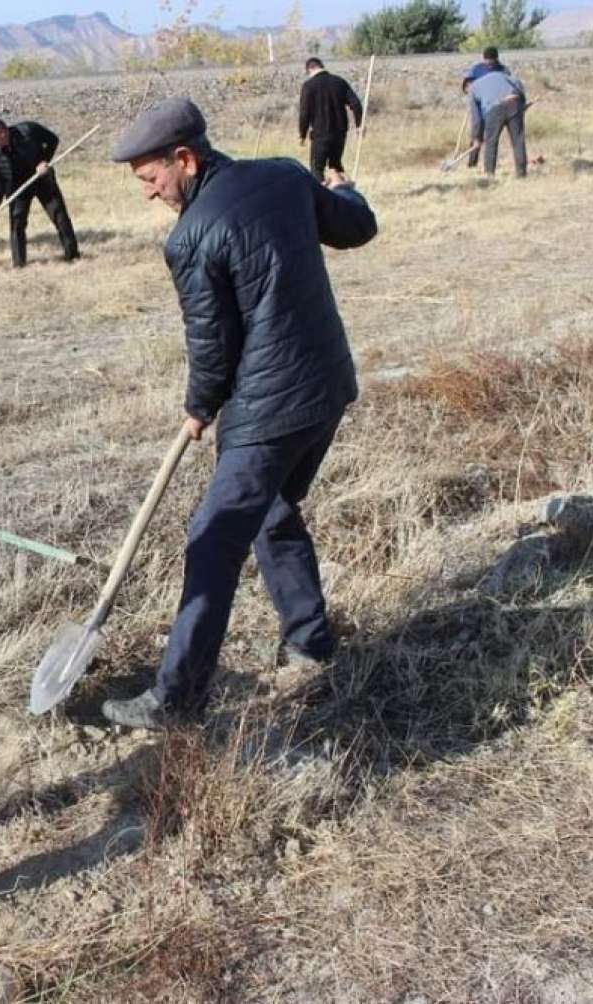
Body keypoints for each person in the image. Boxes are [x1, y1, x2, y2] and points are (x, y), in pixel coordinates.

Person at [101, 99, 377, 730]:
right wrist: (349, 191)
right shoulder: (285, 175)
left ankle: (176, 699)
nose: (148, 194)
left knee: (212, 543)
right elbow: (357, 228)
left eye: (150, 179)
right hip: (328, 388)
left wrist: (199, 406)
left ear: (185, 158)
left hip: (271, 408)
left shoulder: (191, 238)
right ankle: (310, 642)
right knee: (274, 511)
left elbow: (212, 344)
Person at [0, 116, 80, 267]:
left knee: (60, 216)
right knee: (17, 225)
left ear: (1, 132)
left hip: (42, 180)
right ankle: (19, 264)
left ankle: (72, 256)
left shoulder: (28, 130)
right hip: (17, 189)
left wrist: (43, 161)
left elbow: (53, 139)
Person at [297, 57, 364, 181]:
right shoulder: (339, 82)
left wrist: (302, 134)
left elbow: (304, 113)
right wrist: (359, 125)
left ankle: (321, 196)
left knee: (317, 168)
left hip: (320, 134)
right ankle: (345, 192)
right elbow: (356, 104)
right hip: (340, 133)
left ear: (310, 69)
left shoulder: (308, 86)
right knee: (336, 164)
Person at [465, 66, 529, 178]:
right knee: (518, 141)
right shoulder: (507, 77)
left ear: (468, 84)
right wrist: (521, 106)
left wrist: (476, 137)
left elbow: (477, 119)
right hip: (515, 102)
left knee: (491, 143)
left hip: (494, 109)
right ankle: (522, 174)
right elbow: (520, 89)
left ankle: (489, 175)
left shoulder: (474, 87)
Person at [463, 46, 509, 168]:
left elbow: (508, 87)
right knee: (476, 133)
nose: (488, 63)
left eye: (491, 61)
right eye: (487, 60)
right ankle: (472, 163)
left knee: (491, 137)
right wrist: (469, 88)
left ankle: (489, 165)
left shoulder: (503, 70)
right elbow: (467, 84)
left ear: (496, 59)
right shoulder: (477, 69)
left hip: (494, 107)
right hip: (478, 106)